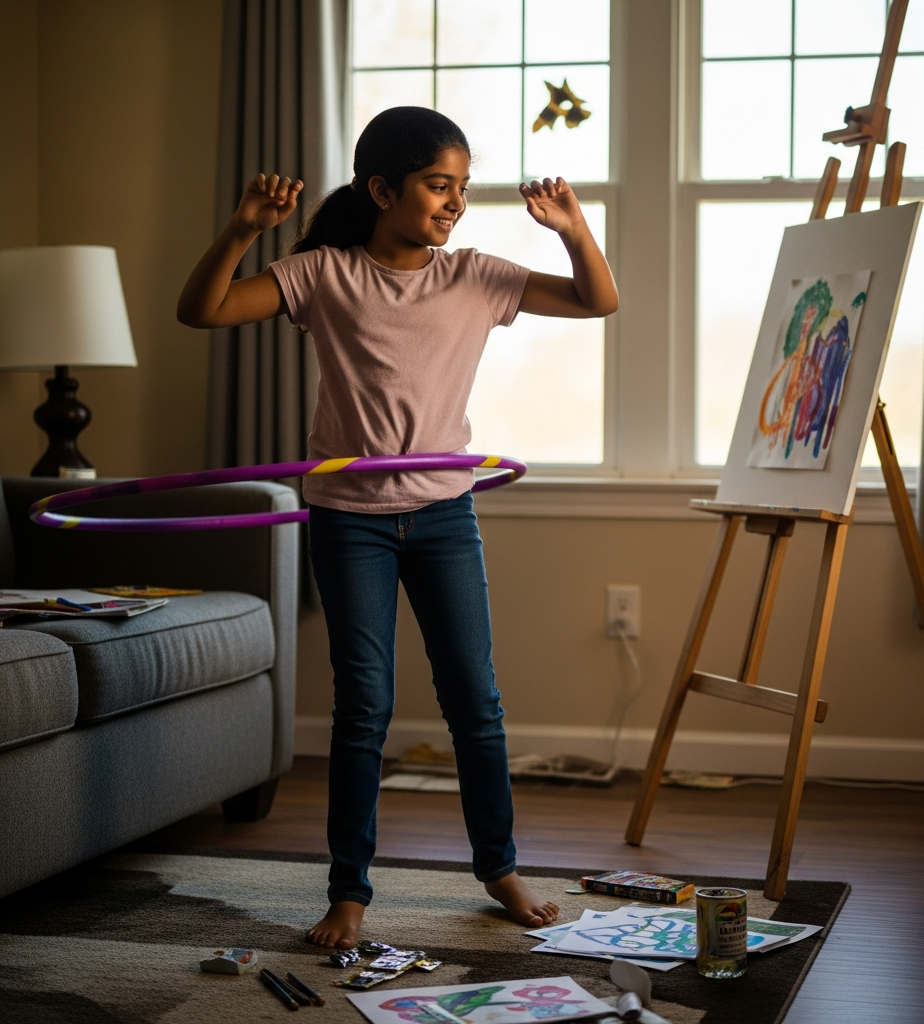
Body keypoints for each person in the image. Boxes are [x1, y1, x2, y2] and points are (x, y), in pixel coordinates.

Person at [178, 106, 617, 949]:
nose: (453, 203)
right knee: (364, 708)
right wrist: (242, 227)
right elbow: (204, 311)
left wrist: (571, 228)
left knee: (475, 702)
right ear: (383, 190)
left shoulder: (477, 276)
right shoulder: (321, 274)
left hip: (445, 514)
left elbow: (600, 300)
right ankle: (349, 891)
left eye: (461, 188)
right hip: (351, 523)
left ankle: (500, 868)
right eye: (436, 185)